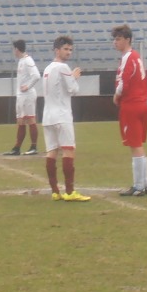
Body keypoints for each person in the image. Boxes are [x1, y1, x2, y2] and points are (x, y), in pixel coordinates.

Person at [41, 36, 89, 202]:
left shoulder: (47, 68)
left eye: (70, 50)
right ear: (57, 50)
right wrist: (74, 76)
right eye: (65, 49)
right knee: (68, 150)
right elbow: (73, 90)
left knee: (52, 151)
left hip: (47, 116)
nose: (68, 52)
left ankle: (55, 191)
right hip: (62, 115)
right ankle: (69, 192)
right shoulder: (63, 67)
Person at [112, 25, 147, 197]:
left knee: (134, 145)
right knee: (138, 145)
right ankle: (145, 183)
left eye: (119, 39)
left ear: (127, 39)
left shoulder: (128, 57)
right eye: (115, 39)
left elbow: (123, 82)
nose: (115, 42)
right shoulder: (137, 57)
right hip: (141, 103)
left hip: (132, 105)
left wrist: (116, 95)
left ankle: (138, 186)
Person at [4, 39, 41, 156]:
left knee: (30, 120)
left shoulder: (28, 60)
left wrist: (28, 86)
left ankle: (33, 146)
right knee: (20, 121)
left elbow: (36, 75)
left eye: (14, 49)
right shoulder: (21, 61)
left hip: (27, 96)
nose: (13, 52)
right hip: (21, 96)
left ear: (17, 49)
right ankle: (17, 148)